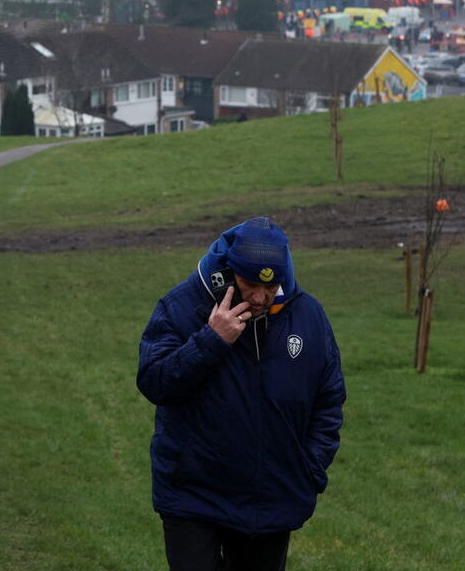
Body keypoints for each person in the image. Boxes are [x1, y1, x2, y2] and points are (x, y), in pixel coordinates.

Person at [137, 217, 344, 571]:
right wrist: (210, 341)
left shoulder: (307, 316)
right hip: (193, 496)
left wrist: (307, 470)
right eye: (250, 284)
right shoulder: (182, 307)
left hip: (270, 500)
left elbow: (329, 399)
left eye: (272, 286)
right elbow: (155, 382)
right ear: (230, 272)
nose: (261, 297)